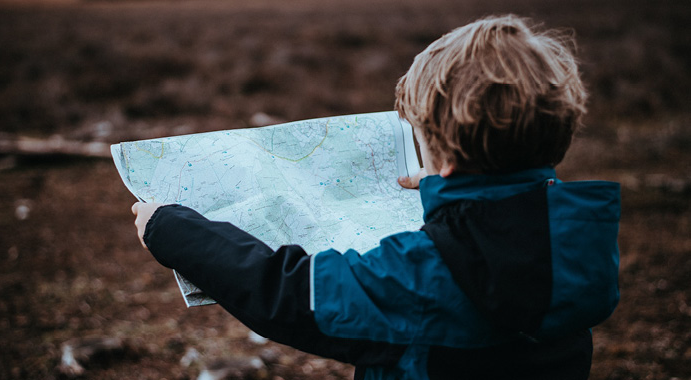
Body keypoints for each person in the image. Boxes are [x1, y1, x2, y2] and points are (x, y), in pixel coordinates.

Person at [131, 14, 620, 380]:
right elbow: (501, 220)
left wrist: (170, 228)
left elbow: (291, 295)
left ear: (445, 158)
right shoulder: (578, 244)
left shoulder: (422, 274)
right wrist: (443, 192)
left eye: (421, 140)